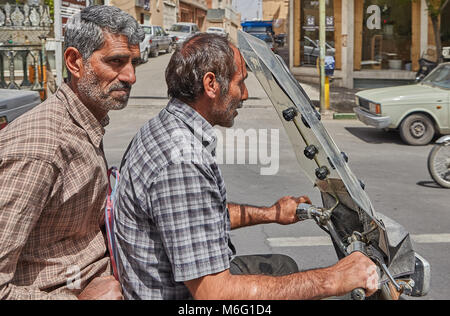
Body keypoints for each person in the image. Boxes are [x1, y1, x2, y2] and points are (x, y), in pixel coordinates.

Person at [113, 33, 378, 300]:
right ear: (211, 84)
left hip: (177, 281)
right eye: (241, 83)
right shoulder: (181, 162)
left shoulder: (167, 126)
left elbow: (200, 216)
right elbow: (214, 294)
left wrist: (272, 213)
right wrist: (333, 279)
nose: (246, 95)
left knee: (283, 266)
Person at [0, 5, 143, 300]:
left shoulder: (87, 121)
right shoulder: (41, 147)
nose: (130, 76)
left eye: (134, 63)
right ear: (75, 62)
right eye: (116, 62)